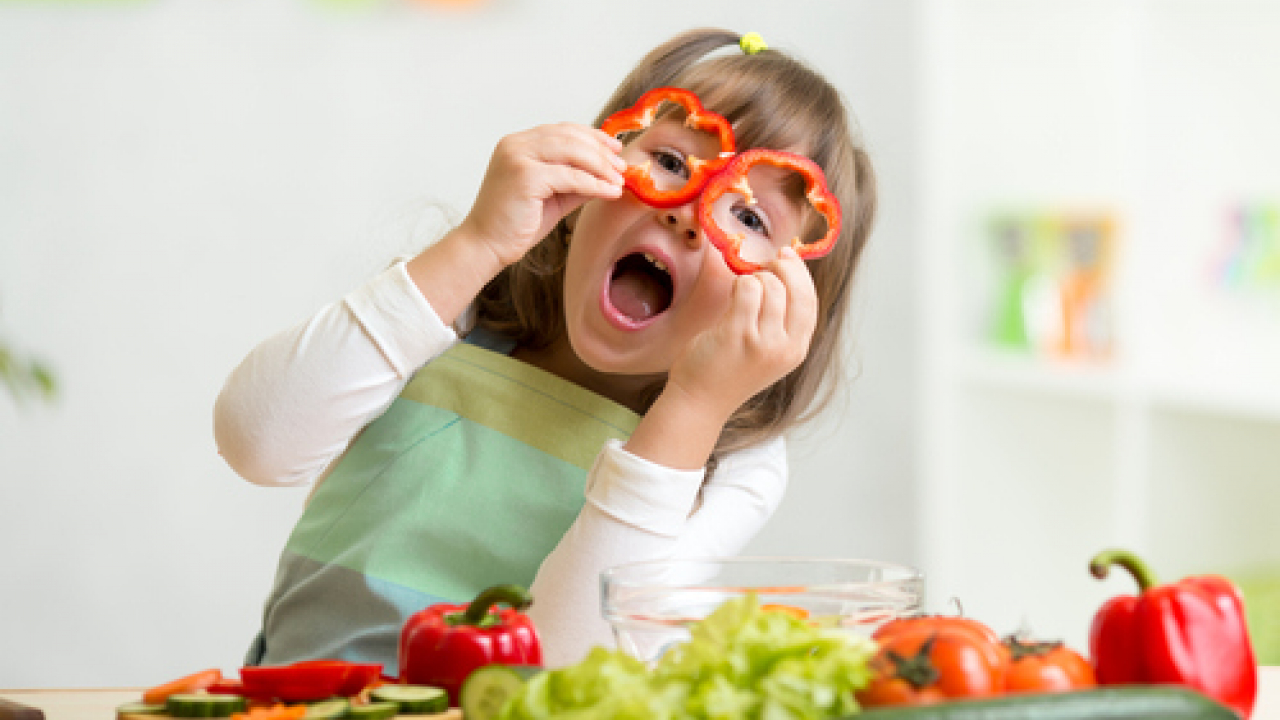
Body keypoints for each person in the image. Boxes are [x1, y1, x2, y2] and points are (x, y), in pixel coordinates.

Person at [214, 27, 878, 672]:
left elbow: (569, 662)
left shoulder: (737, 459)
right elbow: (256, 443)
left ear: (788, 301)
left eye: (750, 217)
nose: (688, 211)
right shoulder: (457, 304)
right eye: (671, 162)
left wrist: (696, 406)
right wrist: (475, 242)